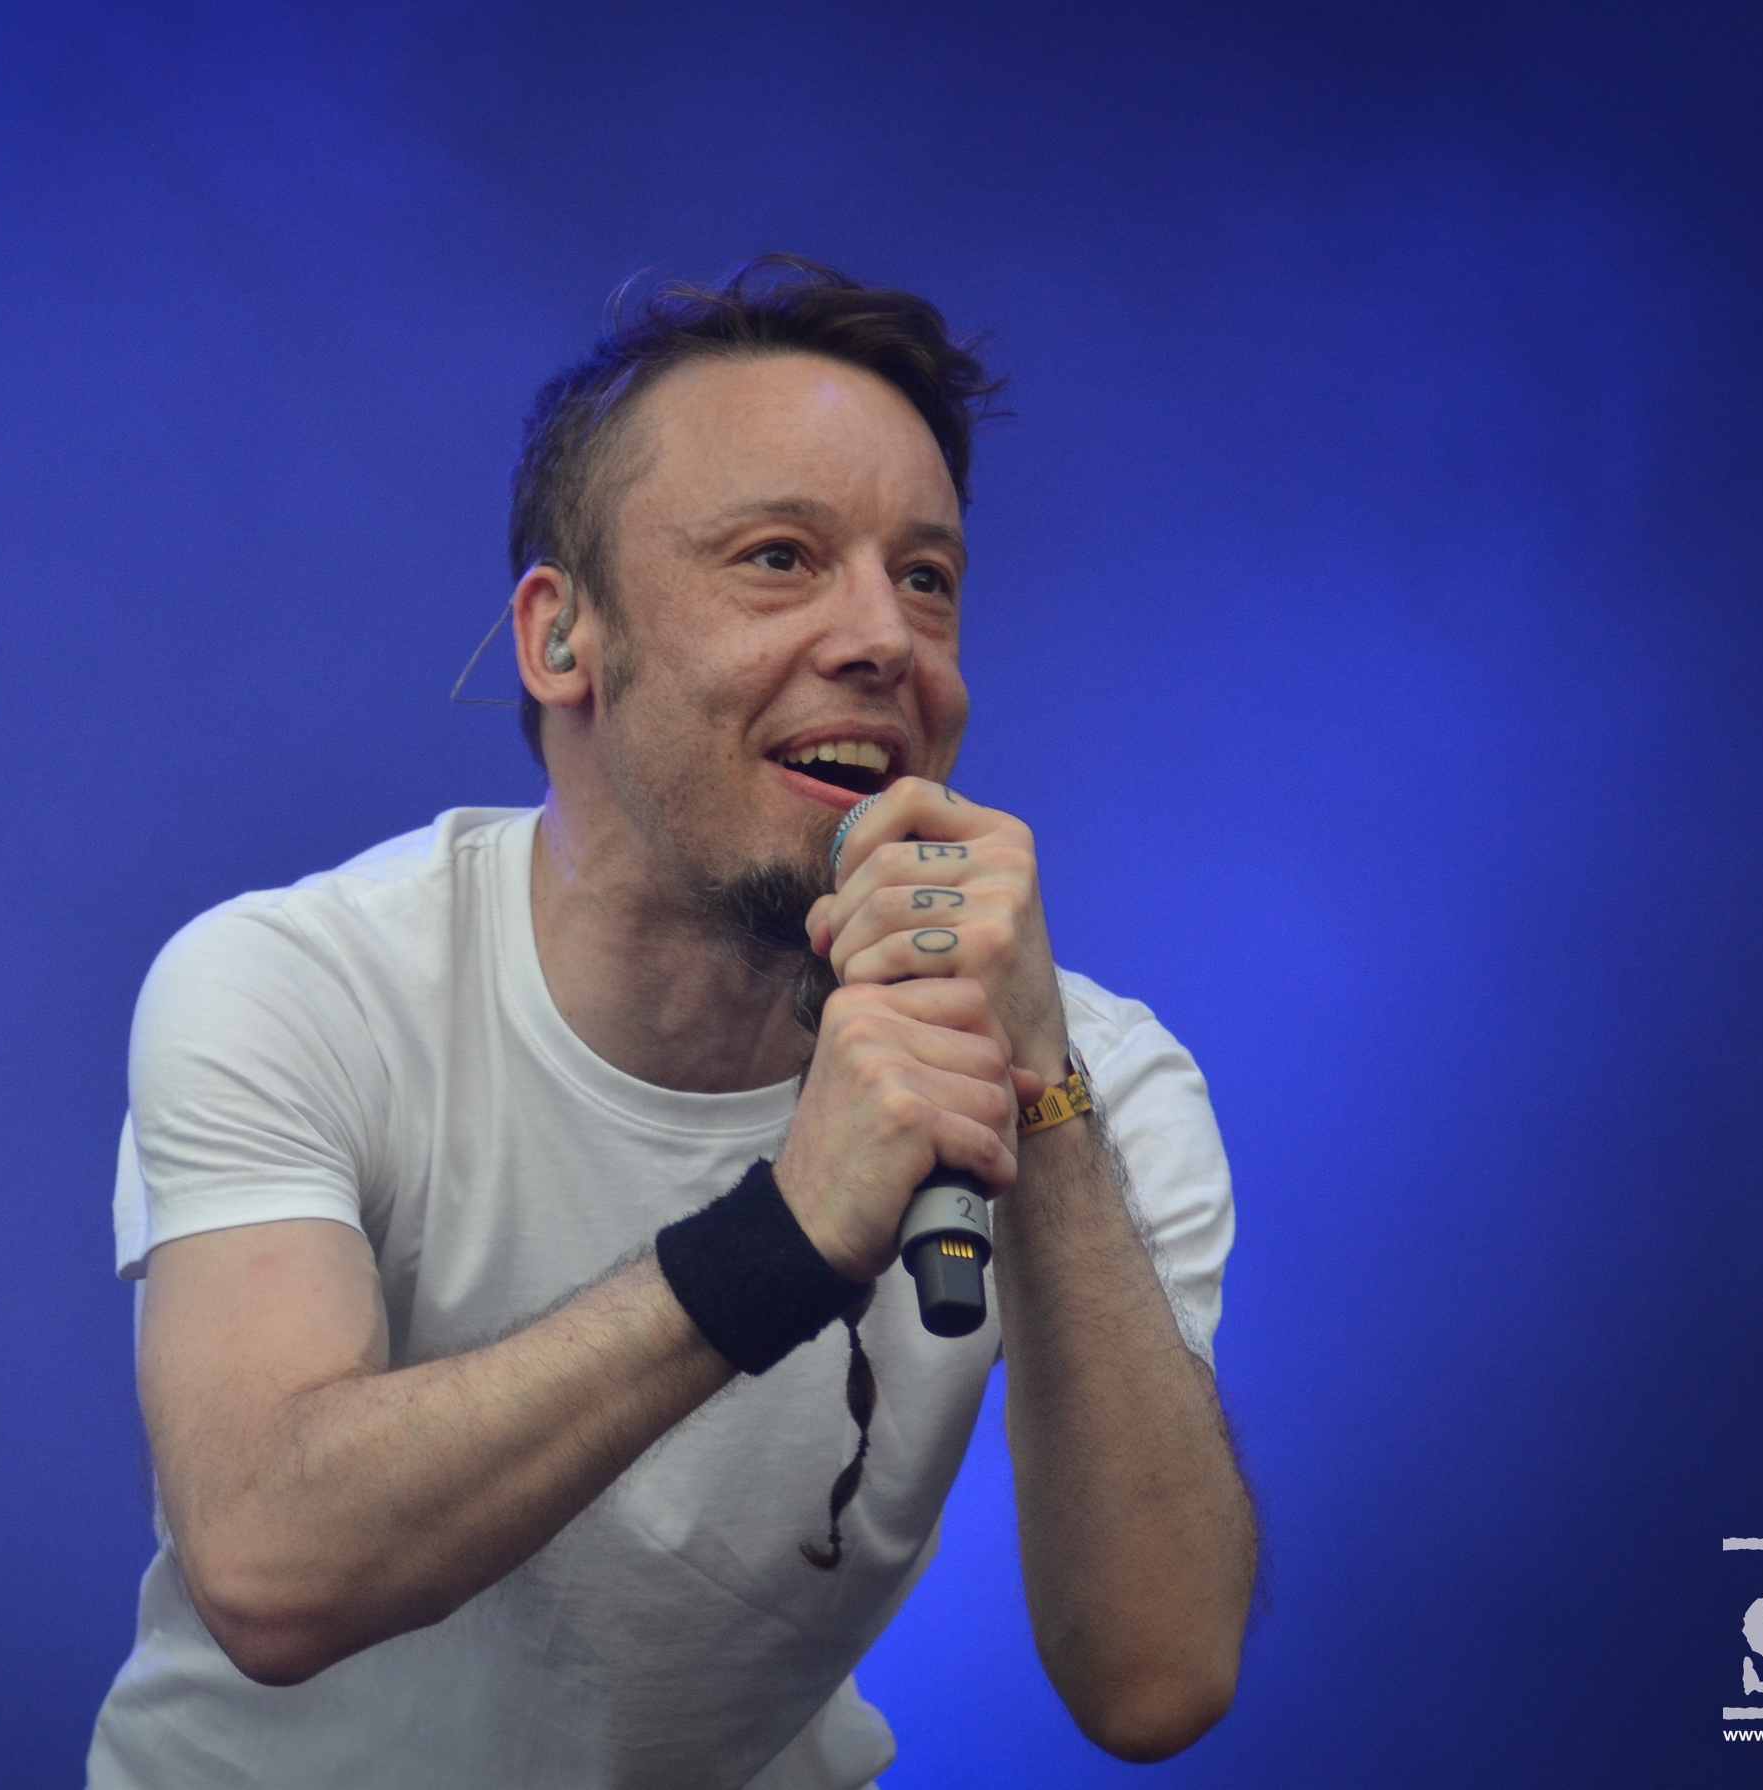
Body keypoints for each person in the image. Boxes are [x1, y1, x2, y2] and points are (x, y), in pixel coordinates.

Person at [84, 257, 1256, 1789]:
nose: (884, 638)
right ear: (560, 637)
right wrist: (779, 1239)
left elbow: (1156, 1679)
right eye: (779, 557)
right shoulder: (298, 985)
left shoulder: (1095, 1086)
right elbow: (269, 1566)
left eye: (925, 577)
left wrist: (1042, 1092)